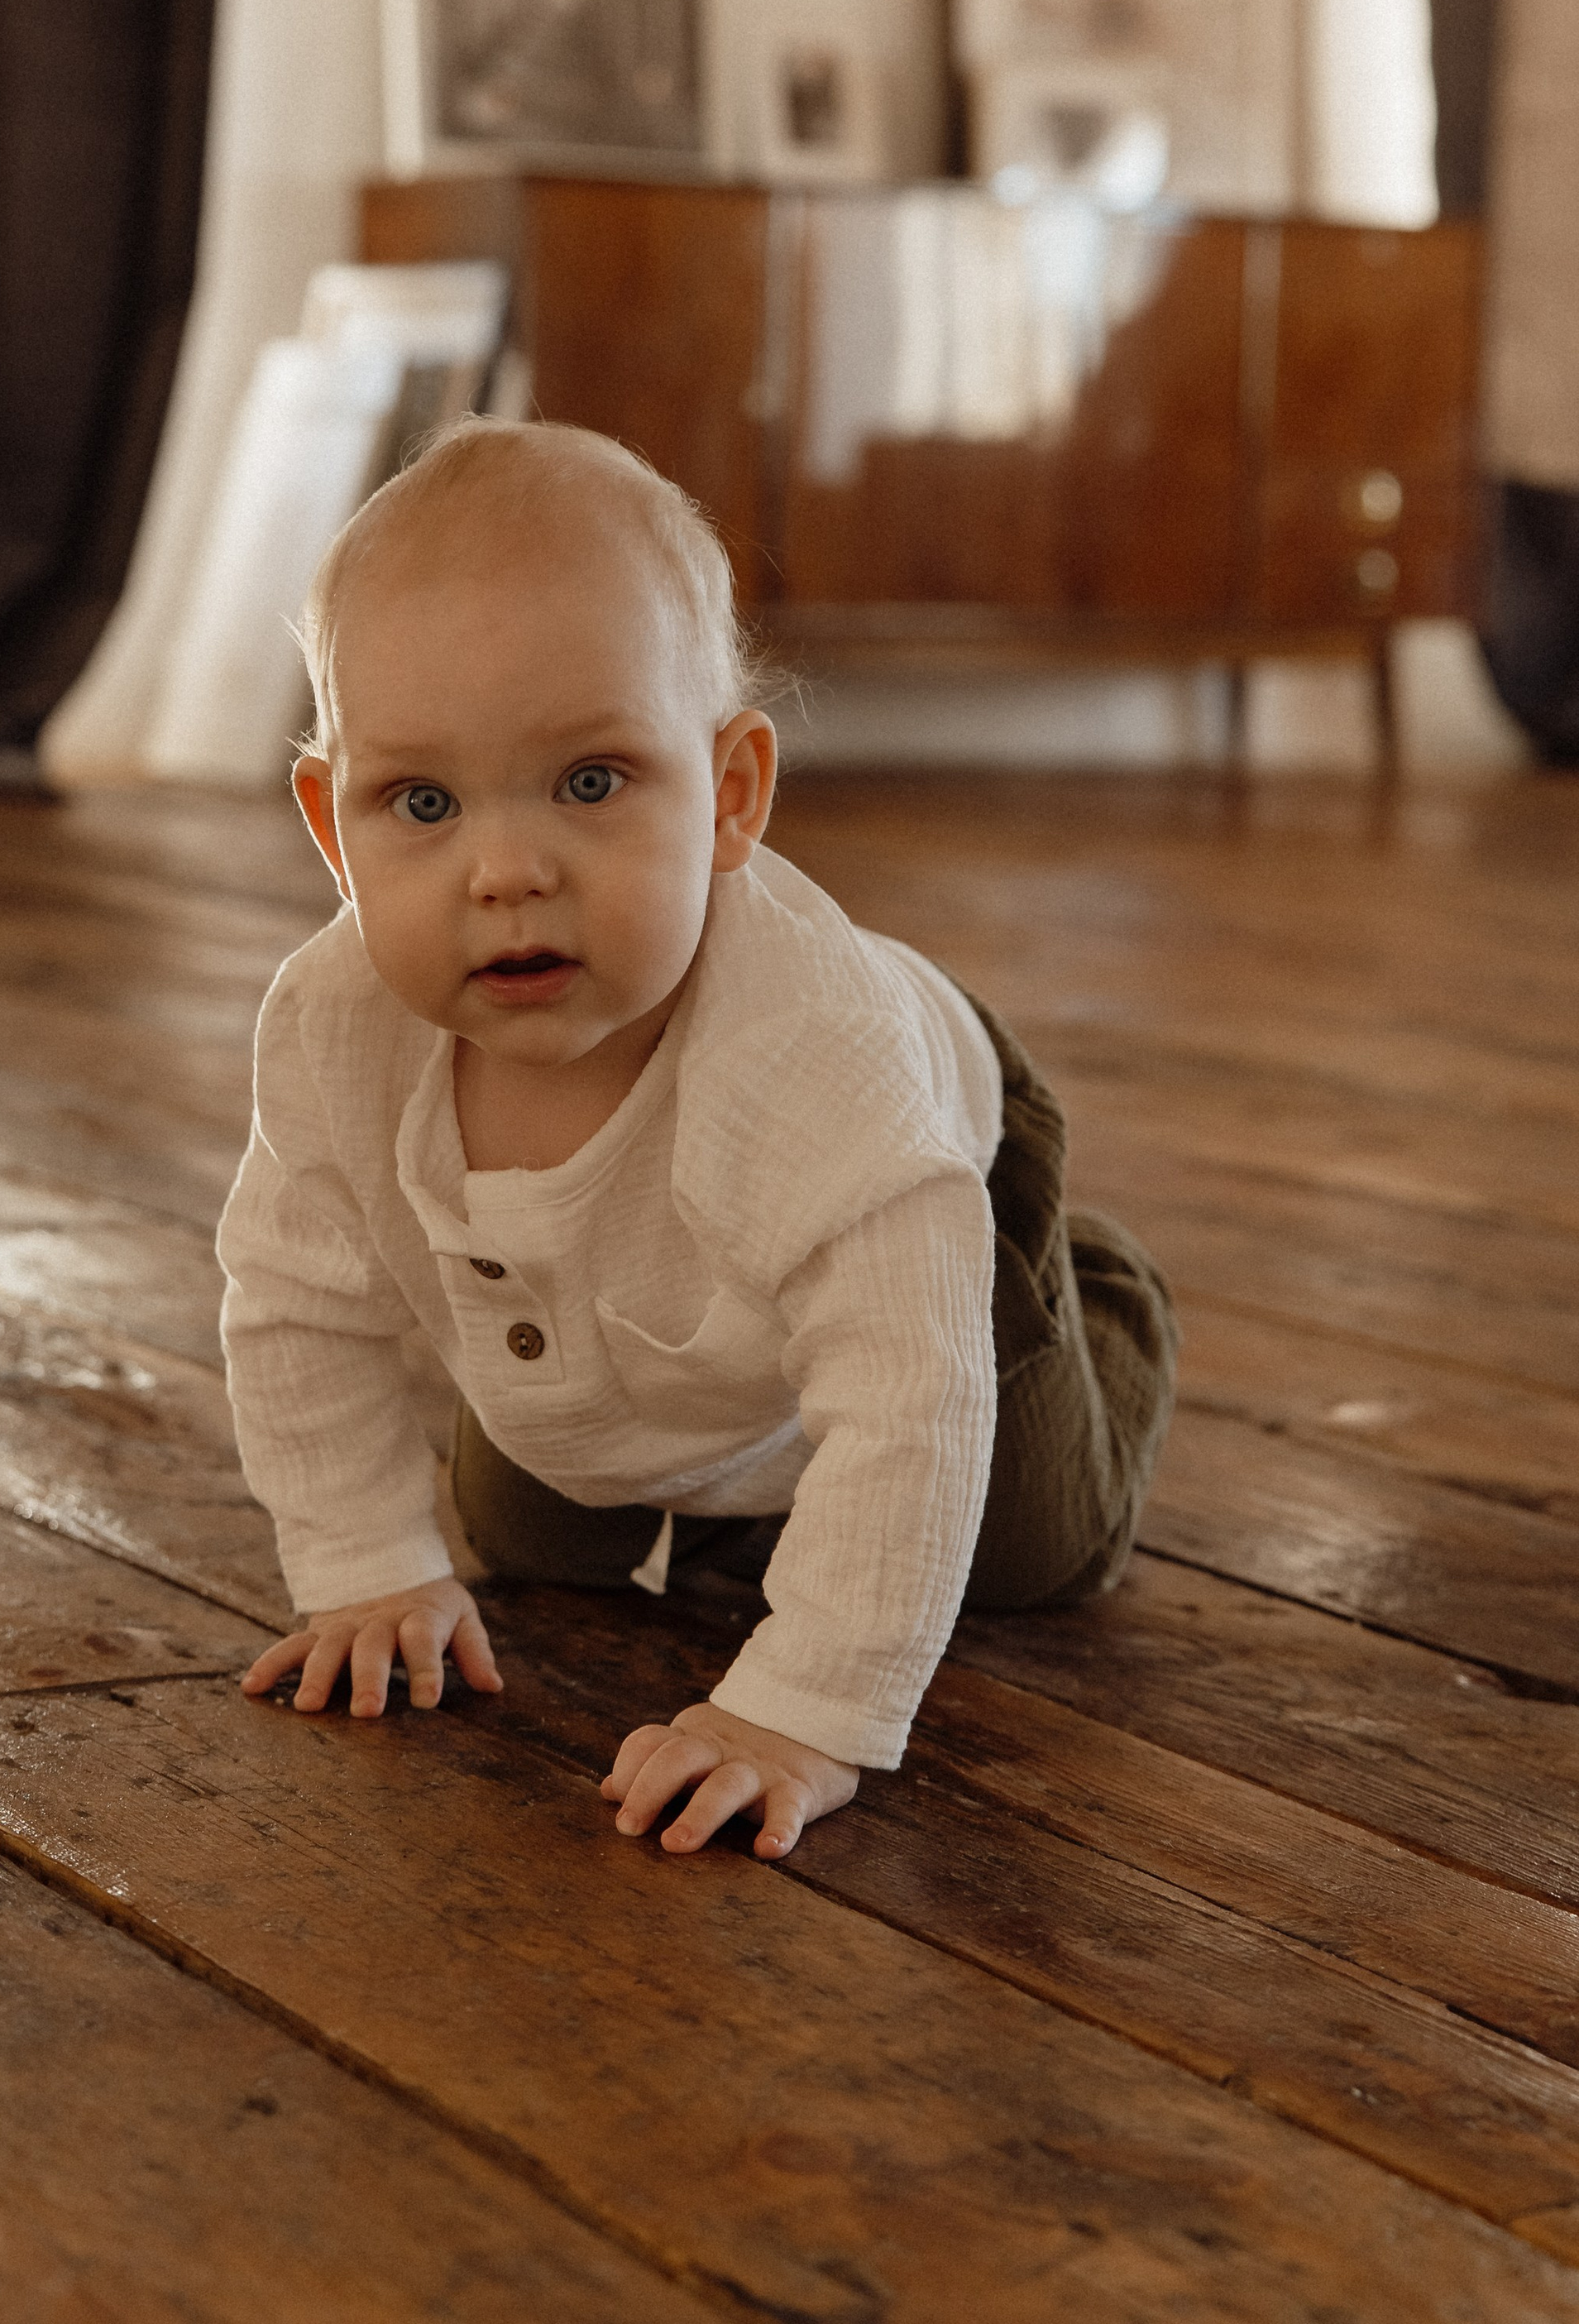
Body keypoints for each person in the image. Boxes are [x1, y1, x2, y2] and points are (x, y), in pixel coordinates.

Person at [220, 419, 1176, 1862]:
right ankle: (750, 1456)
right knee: (537, 1530)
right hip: (642, 1285)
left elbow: (911, 1394)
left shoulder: (819, 1062)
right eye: (422, 802)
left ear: (731, 793)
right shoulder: (332, 1026)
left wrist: (805, 1706)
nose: (508, 870)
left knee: (1022, 1541)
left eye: (592, 782)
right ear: (330, 826)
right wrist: (364, 1567)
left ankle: (1089, 1295)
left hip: (947, 1168)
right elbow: (296, 1302)